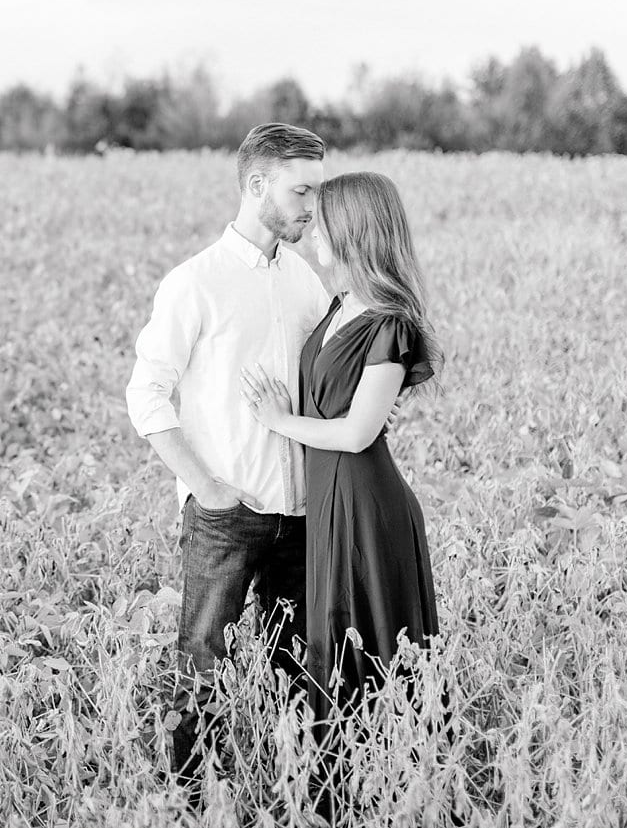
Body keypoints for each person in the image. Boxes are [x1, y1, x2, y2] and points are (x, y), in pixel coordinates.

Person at [125, 123, 331, 793]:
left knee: (298, 665)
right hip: (224, 512)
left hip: (298, 514)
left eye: (315, 191)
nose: (311, 205)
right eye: (300, 190)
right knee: (202, 661)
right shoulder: (195, 283)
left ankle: (301, 794)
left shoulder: (304, 280)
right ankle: (192, 800)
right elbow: (146, 395)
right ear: (256, 184)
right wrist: (206, 486)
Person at [240, 171, 441, 816]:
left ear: (354, 231)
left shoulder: (388, 322)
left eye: (324, 222)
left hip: (365, 503)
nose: (314, 232)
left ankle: (389, 794)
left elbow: (357, 433)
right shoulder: (337, 305)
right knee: (335, 638)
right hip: (328, 501)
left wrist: (276, 422)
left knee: (370, 641)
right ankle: (343, 796)